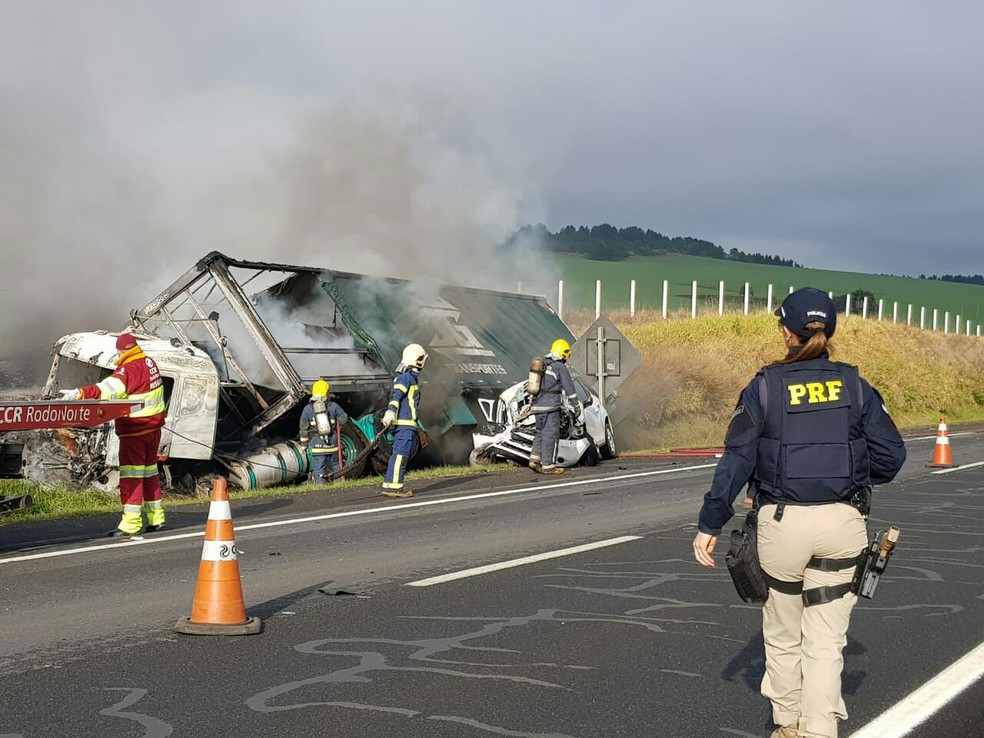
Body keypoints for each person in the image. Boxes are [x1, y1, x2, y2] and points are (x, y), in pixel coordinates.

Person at [692, 288, 906, 738]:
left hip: (782, 525)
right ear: (828, 332)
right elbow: (891, 455)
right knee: (826, 641)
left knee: (784, 634)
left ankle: (787, 724)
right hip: (841, 522)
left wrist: (711, 523)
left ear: (786, 333)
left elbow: (736, 460)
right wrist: (850, 477)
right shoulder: (854, 385)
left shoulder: (765, 386)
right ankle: (820, 729)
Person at [57, 332, 167, 537]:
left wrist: (79, 394)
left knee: (132, 476)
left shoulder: (129, 369)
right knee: (150, 473)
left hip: (136, 430)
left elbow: (107, 390)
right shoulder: (148, 362)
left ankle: (130, 524)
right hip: (153, 429)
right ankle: (156, 518)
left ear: (122, 350)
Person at [380, 343, 428, 499]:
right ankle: (395, 488)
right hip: (405, 424)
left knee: (398, 454)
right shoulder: (407, 377)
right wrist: (391, 410)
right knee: (401, 455)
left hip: (404, 424)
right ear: (418, 359)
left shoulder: (406, 377)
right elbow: (397, 395)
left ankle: (390, 484)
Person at [529, 338, 579, 475]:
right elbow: (569, 388)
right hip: (551, 406)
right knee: (550, 434)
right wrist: (576, 406)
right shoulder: (559, 367)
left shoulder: (542, 365)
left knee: (539, 433)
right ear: (563, 354)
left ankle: (534, 459)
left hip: (537, 406)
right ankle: (548, 466)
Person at [299, 379, 349, 485]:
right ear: (327, 392)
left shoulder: (307, 409)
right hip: (333, 444)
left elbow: (303, 428)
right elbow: (344, 418)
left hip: (317, 444)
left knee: (319, 468)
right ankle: (339, 484)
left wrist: (304, 444)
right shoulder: (333, 406)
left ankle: (320, 486)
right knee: (336, 465)